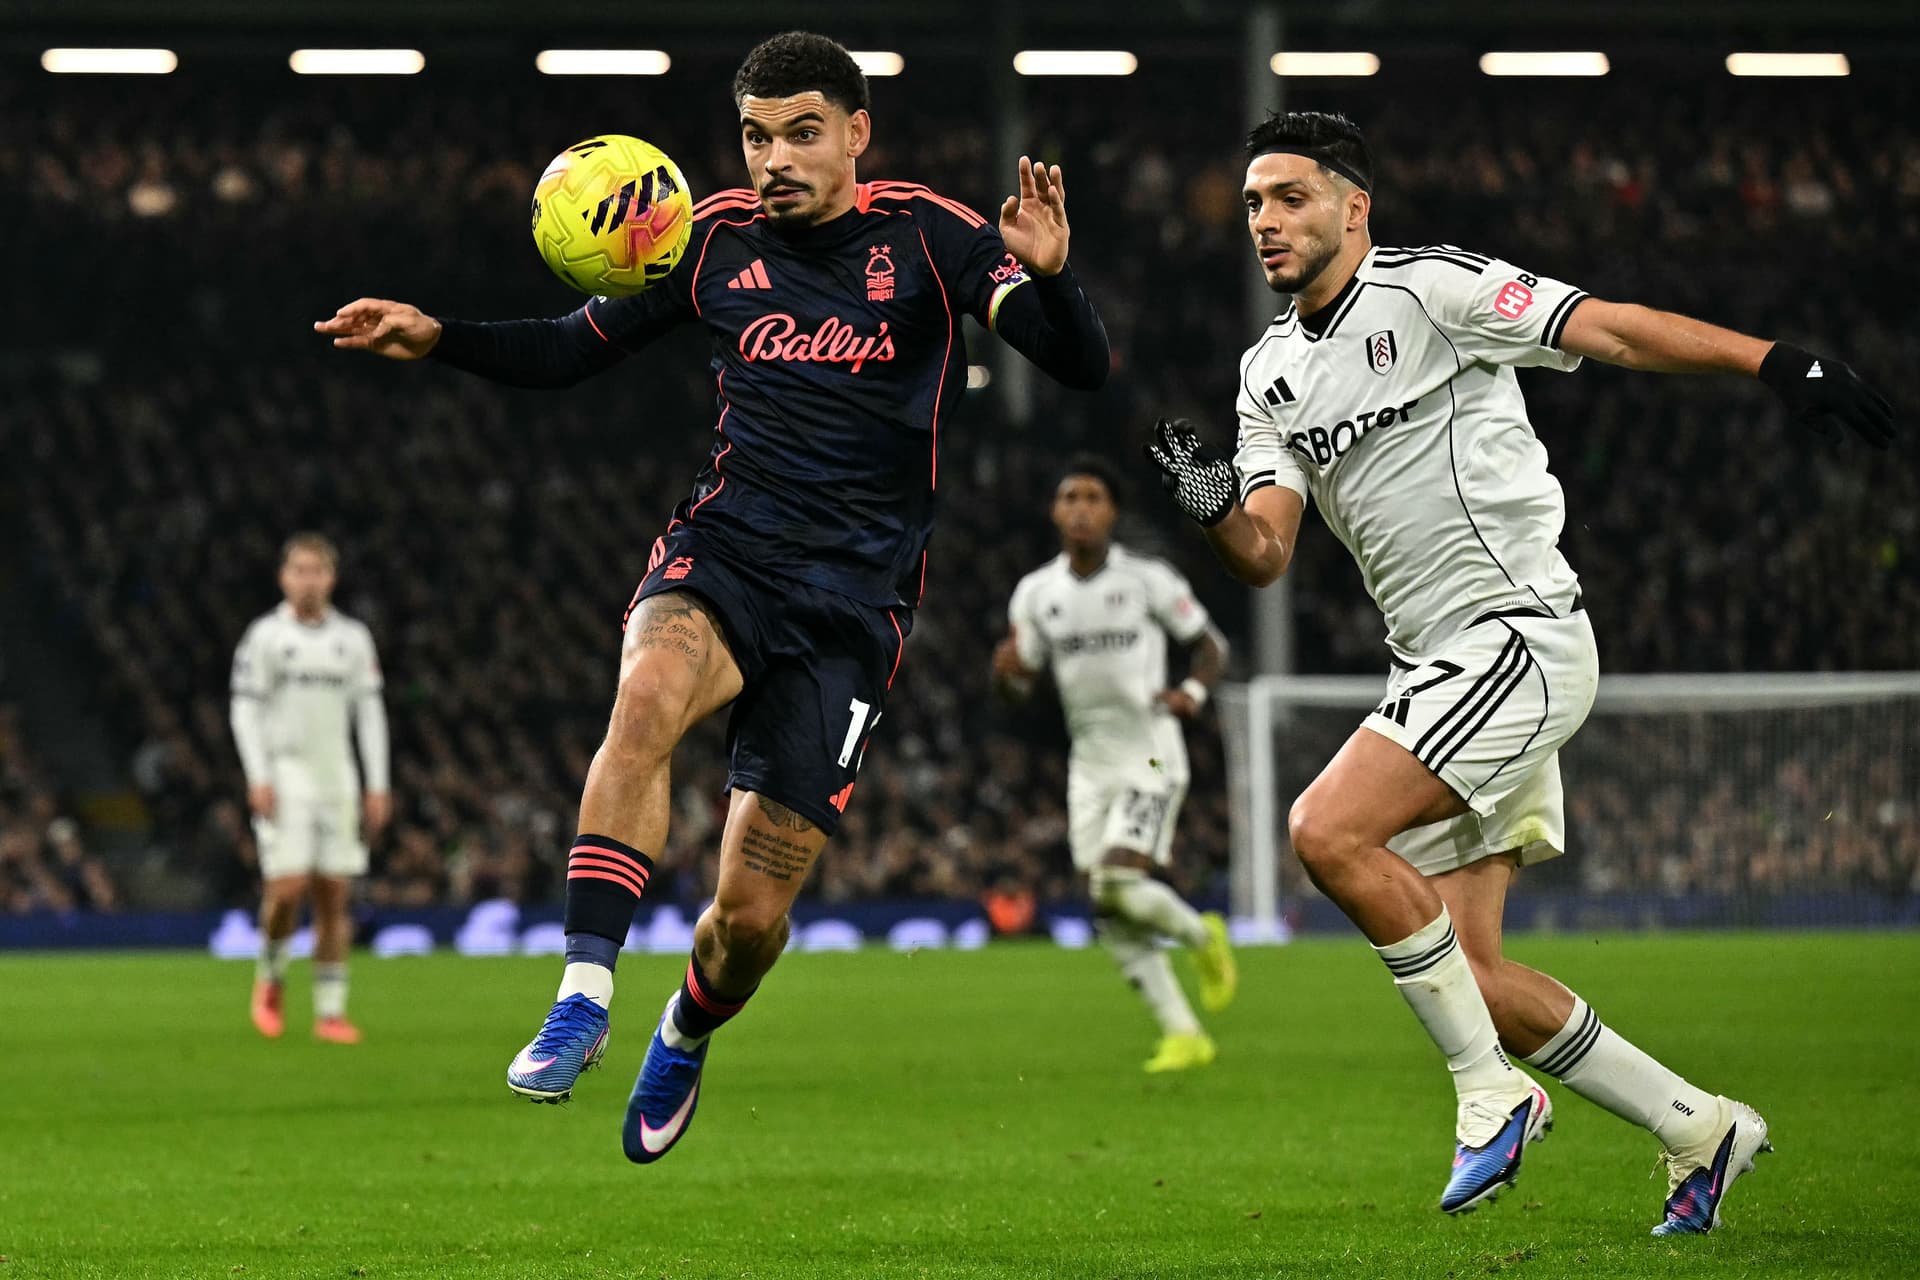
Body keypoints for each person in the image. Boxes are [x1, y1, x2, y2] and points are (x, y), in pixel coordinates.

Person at [314, 31, 1108, 1162]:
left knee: (748, 919)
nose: (773, 158)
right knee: (644, 697)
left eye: (800, 133)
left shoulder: (928, 236)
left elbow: (1080, 367)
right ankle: (583, 991)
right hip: (725, 551)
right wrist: (439, 336)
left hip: (853, 607)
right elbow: (562, 349)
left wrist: (1054, 277)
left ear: (855, 134)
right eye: (753, 135)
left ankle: (685, 1023)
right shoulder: (707, 245)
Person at [1145, 111, 1893, 1234]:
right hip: (1435, 666)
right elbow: (1262, 553)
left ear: (1354, 204)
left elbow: (1614, 332)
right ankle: (1700, 1122)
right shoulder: (1267, 375)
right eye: (1252, 202)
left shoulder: (1431, 288)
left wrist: (1773, 360)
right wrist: (1210, 504)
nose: (1265, 221)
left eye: (1290, 196)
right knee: (1474, 975)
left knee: (1326, 831)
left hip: (1518, 633)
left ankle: (1491, 1092)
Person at [993, 455, 1236, 1072]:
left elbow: (1210, 645)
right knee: (1107, 905)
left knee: (1117, 882)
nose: (1080, 508)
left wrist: (1194, 693)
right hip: (1090, 764)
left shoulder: (1148, 579)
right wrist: (1009, 677)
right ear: (1055, 511)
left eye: (1093, 497)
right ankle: (1183, 1033)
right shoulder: (1036, 594)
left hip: (1151, 752)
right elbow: (1020, 689)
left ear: (1113, 512)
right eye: (1069, 496)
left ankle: (1203, 937)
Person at [229, 533, 391, 1044]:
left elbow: (368, 714)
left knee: (333, 895)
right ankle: (271, 978)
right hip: (285, 775)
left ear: (332, 578)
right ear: (283, 577)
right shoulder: (265, 637)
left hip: (336, 776)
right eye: (299, 570)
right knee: (286, 891)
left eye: (317, 571)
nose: (308, 580)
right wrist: (257, 775)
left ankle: (329, 1011)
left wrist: (377, 783)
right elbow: (244, 708)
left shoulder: (352, 638)